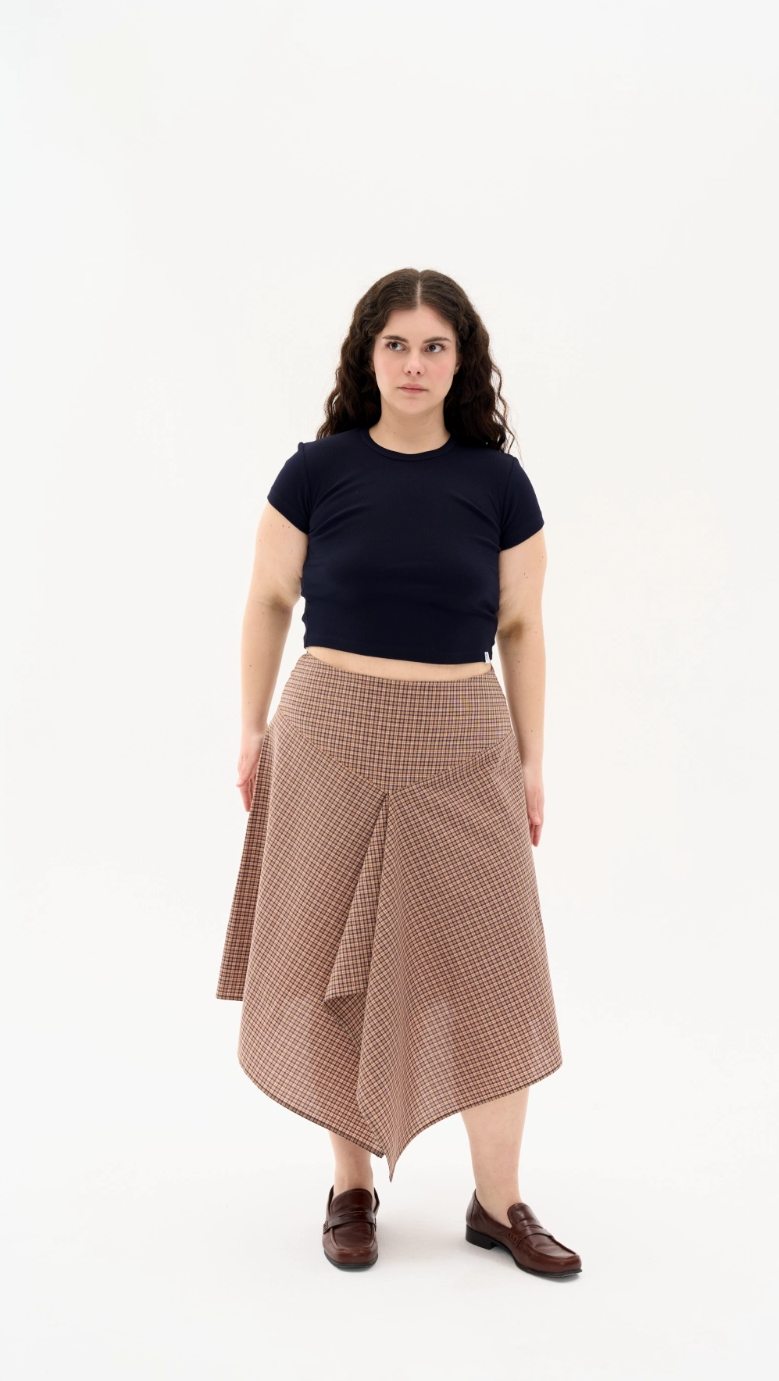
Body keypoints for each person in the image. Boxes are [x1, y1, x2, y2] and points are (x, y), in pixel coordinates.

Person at [215, 268, 580, 1280]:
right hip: (328, 737)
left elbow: (521, 626)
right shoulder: (316, 472)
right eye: (396, 345)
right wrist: (250, 728)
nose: (414, 364)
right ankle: (351, 1189)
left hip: (462, 742)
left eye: (434, 347)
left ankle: (499, 1202)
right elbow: (268, 600)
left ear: (461, 364)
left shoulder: (498, 483)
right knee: (333, 962)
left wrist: (531, 758)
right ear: (366, 357)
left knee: (496, 972)